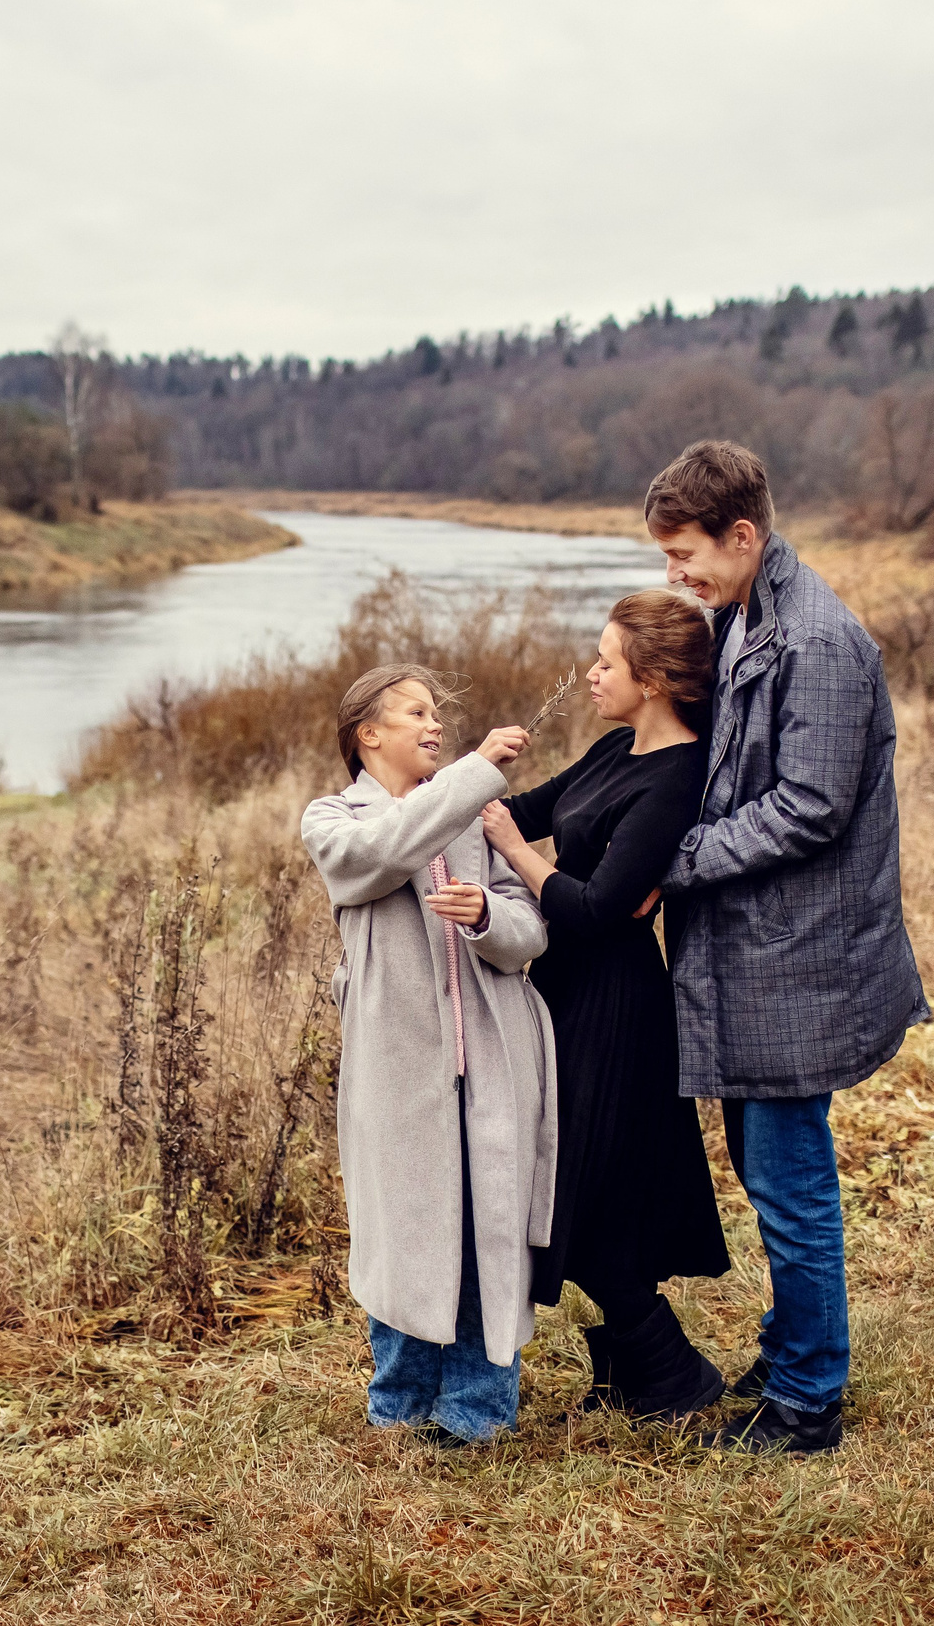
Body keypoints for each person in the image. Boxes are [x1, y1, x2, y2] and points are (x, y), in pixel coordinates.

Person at [646, 440, 932, 1456]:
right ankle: (791, 1347)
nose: (673, 574)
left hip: (798, 960)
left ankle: (809, 1400)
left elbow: (808, 808)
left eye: (685, 553)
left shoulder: (817, 642)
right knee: (766, 1167)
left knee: (790, 1177)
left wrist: (670, 860)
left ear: (742, 535)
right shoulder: (742, 618)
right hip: (754, 955)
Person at [478, 591, 733, 1420]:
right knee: (584, 1191)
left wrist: (517, 858)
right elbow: (524, 810)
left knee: (577, 1199)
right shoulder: (618, 746)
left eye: (607, 660)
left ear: (653, 679)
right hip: (567, 992)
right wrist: (441, 791)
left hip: (617, 1005)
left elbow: (596, 906)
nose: (591, 671)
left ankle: (674, 1377)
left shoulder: (677, 777)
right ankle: (635, 1374)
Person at [301, 666, 557, 1446]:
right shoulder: (333, 818)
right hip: (399, 1064)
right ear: (367, 734)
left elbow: (531, 931)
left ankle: (477, 1414)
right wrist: (476, 771)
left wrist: (487, 916)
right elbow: (380, 854)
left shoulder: (474, 819)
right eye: (415, 712)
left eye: (437, 713)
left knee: (489, 1223)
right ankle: (400, 1405)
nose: (434, 724)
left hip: (489, 1059)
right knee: (404, 1229)